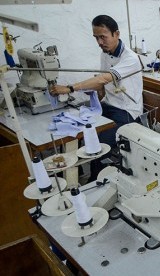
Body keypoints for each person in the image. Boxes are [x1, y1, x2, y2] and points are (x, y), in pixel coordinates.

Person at [51, 15, 143, 181]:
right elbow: (100, 84)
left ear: (116, 34)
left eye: (103, 37)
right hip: (108, 107)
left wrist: (70, 88)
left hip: (127, 113)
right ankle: (69, 176)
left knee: (97, 144)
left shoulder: (131, 59)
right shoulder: (105, 54)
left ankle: (95, 182)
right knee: (76, 131)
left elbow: (103, 79)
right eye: (96, 38)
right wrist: (89, 93)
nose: (100, 42)